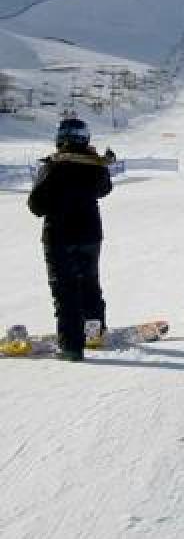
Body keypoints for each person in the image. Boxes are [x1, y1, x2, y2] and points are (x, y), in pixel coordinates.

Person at [26, 118, 113, 361]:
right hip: (89, 235)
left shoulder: (53, 167)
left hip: (59, 237)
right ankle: (94, 332)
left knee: (65, 291)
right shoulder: (95, 165)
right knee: (89, 283)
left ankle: (72, 346)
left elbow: (35, 206)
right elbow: (105, 189)